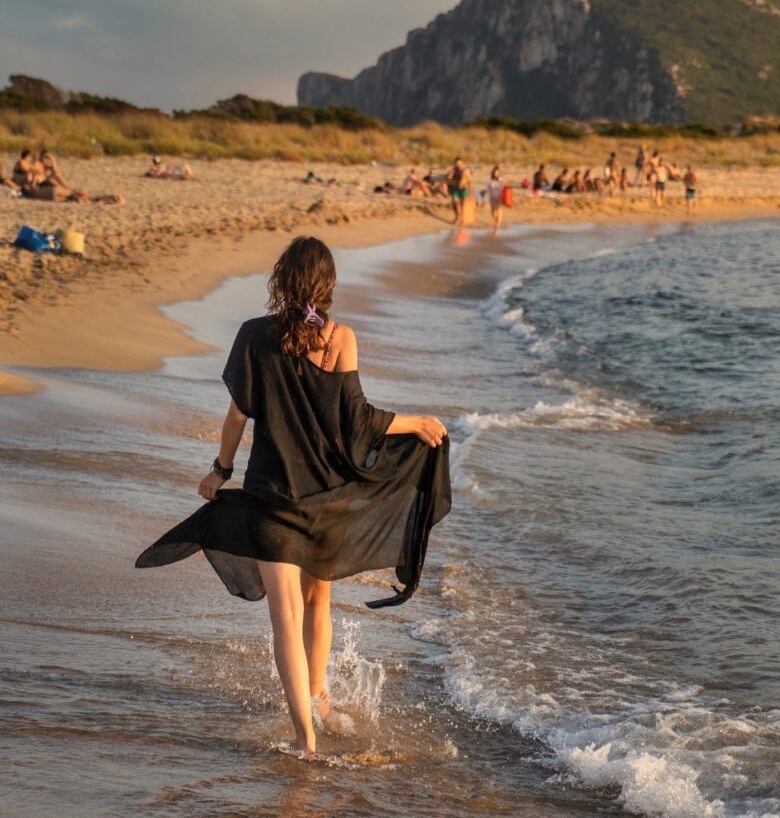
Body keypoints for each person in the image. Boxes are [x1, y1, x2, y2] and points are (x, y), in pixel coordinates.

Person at [136, 237, 451, 755]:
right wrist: (416, 422)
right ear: (326, 285)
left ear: (281, 282)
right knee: (318, 600)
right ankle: (318, 698)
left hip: (271, 501)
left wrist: (220, 470)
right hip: (327, 501)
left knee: (285, 615)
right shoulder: (340, 338)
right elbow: (356, 422)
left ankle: (306, 736)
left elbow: (238, 415)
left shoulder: (252, 336)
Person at [446, 157, 471, 225]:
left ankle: (462, 219)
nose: (458, 165)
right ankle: (457, 216)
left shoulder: (465, 170)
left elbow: (469, 180)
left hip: (463, 188)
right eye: (456, 163)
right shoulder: (453, 170)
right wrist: (452, 171)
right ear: (454, 163)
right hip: (454, 188)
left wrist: (470, 190)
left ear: (462, 163)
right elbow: (448, 178)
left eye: (459, 163)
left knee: (462, 204)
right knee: (454, 201)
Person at [486, 165, 505, 234]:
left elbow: (504, 188)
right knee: (493, 213)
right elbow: (488, 189)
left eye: (497, 173)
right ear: (493, 173)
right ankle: (497, 223)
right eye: (495, 173)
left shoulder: (501, 180)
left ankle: (496, 229)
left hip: (499, 198)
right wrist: (487, 198)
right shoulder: (489, 180)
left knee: (499, 213)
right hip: (492, 198)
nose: (496, 174)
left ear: (499, 173)